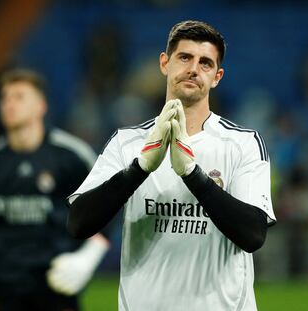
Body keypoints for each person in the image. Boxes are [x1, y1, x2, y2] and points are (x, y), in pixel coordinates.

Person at [67, 20, 276, 311]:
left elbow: (253, 235)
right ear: (164, 63)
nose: (193, 69)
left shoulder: (242, 144)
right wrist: (139, 168)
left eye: (205, 63)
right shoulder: (127, 143)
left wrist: (193, 175)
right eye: (184, 57)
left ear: (217, 77)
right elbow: (79, 223)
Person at [0, 69, 109, 311]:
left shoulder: (72, 156)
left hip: (58, 290)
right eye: (5, 98)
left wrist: (87, 258)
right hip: (6, 293)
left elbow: (106, 212)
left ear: (40, 106)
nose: (9, 104)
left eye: (19, 97)